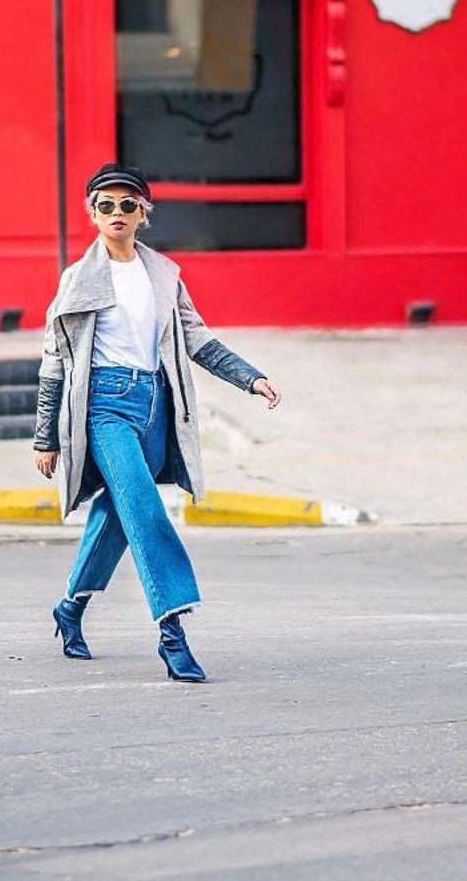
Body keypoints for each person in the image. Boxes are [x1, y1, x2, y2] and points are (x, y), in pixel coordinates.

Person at [32, 162, 282, 682]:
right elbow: (54, 361)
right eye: (105, 205)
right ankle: (173, 633)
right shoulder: (77, 281)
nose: (117, 213)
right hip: (103, 406)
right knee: (145, 510)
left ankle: (70, 608)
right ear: (92, 214)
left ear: (144, 213)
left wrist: (248, 378)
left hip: (153, 406)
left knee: (119, 515)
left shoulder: (163, 274)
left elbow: (197, 338)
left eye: (128, 204)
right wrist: (46, 435)